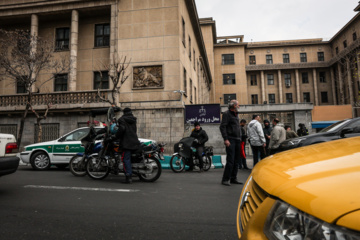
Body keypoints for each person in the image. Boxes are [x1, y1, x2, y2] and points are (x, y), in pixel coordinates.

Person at [219, 99, 242, 186]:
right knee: (230, 160)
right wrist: (226, 139)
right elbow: (222, 127)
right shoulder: (226, 114)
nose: (239, 107)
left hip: (237, 140)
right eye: (238, 105)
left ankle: (233, 178)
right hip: (231, 139)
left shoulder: (236, 114)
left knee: (237, 160)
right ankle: (225, 179)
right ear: (234, 106)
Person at [115, 107, 140, 184]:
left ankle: (128, 177)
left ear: (124, 112)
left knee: (125, 159)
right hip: (134, 140)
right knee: (129, 158)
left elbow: (121, 129)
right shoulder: (133, 119)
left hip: (126, 142)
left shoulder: (122, 119)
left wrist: (116, 136)